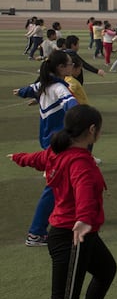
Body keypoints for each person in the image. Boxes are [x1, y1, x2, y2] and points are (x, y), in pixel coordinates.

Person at [8, 105, 116, 299]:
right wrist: (84, 219)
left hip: (80, 233)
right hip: (73, 235)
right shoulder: (80, 162)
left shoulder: (58, 152)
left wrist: (19, 158)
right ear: (91, 130)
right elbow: (84, 191)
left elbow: (38, 159)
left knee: (106, 270)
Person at [13, 50, 79, 247]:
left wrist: (21, 92)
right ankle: (36, 233)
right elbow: (71, 105)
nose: (71, 66)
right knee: (53, 187)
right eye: (69, 64)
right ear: (61, 68)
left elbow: (30, 89)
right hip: (59, 143)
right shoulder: (59, 88)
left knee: (67, 182)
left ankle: (72, 217)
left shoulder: (45, 83)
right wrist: (82, 117)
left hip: (51, 142)